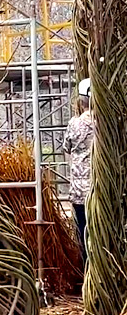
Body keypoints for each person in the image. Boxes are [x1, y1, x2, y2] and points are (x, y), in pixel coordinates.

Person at [63, 78, 94, 260]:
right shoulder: (105, 123)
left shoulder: (74, 124)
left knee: (83, 235)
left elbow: (66, 148)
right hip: (100, 191)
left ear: (80, 102)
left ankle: (88, 275)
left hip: (79, 192)